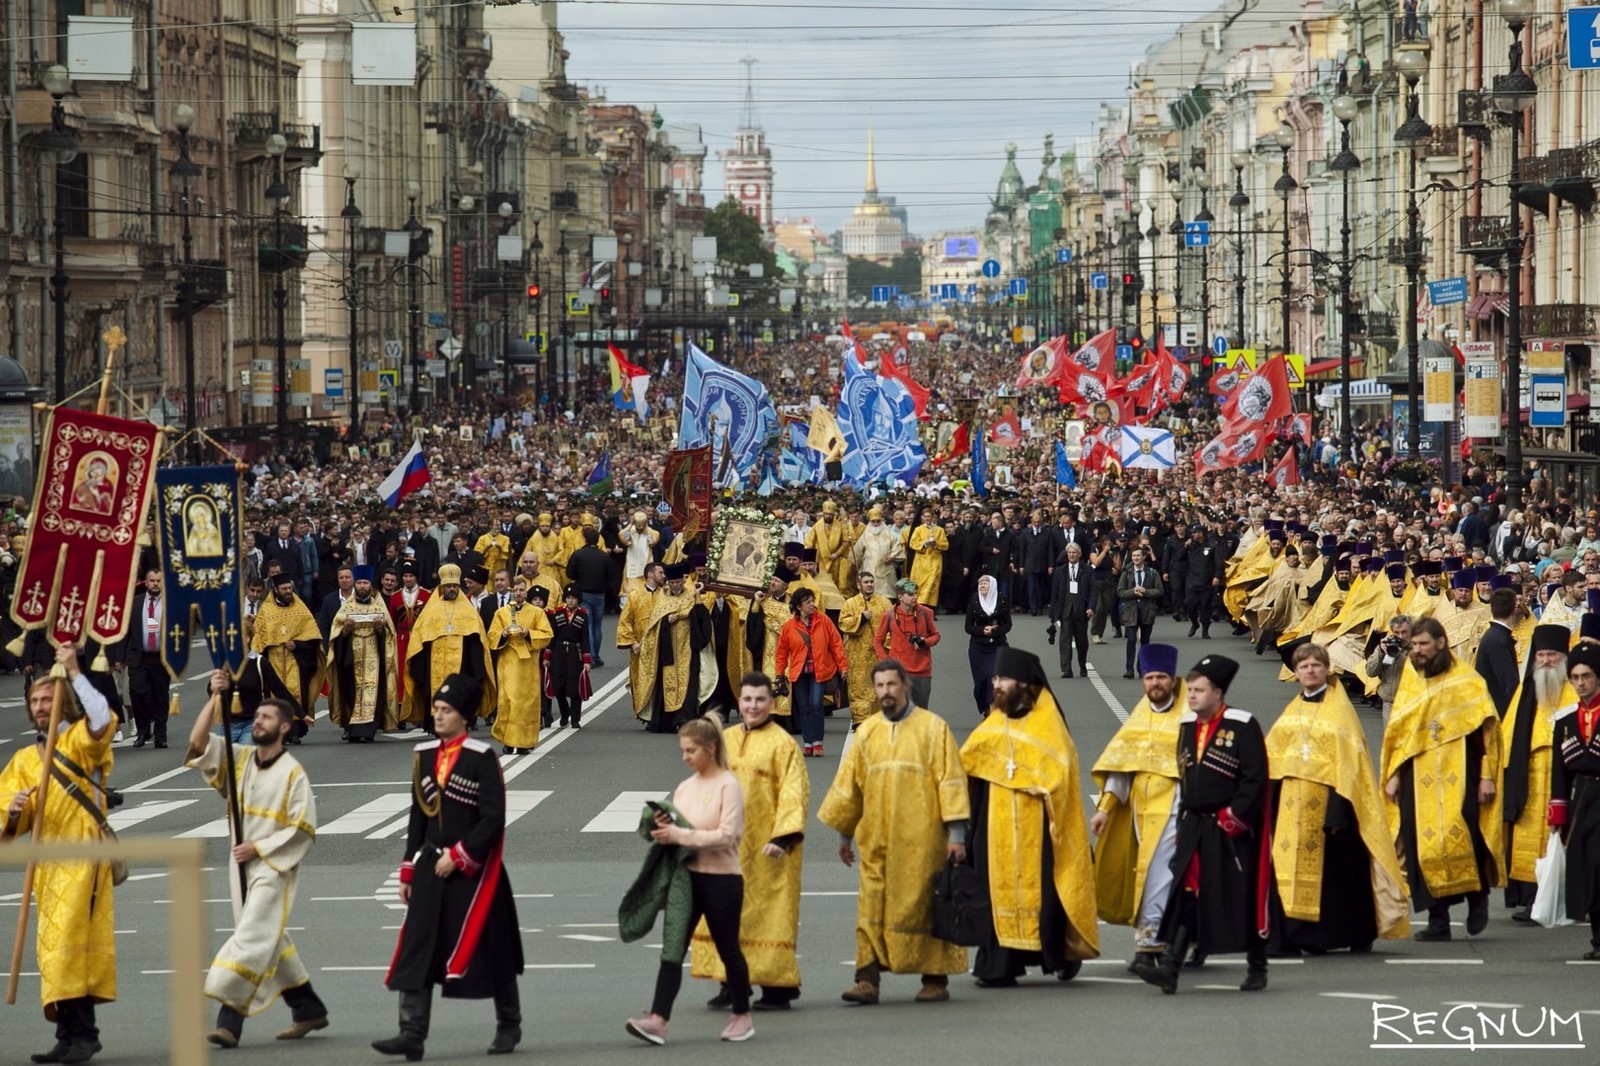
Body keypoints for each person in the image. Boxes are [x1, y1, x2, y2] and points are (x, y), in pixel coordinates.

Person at [375, 674, 524, 1060]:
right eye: (437, 710)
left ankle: (509, 1024)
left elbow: (493, 818)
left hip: (475, 871)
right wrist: (408, 869)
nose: (437, 716)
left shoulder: (481, 757)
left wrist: (459, 856)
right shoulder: (424, 756)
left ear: (463, 716)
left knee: (493, 949)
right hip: (430, 867)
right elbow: (417, 819)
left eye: (446, 711)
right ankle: (411, 1032)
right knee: (418, 947)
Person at [185, 673, 329, 1048]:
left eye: (266, 718)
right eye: (258, 717)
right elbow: (197, 744)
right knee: (268, 936)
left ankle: (228, 1020)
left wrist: (260, 849)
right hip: (240, 865)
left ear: (284, 727)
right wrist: (215, 697)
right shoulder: (241, 760)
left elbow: (303, 829)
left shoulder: (293, 774)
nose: (259, 721)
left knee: (250, 937)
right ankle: (307, 1007)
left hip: (273, 867)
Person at [818, 659, 969, 1004]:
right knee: (871, 909)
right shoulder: (868, 731)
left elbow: (952, 783)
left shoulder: (933, 729)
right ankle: (867, 979)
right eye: (880, 686)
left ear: (905, 686)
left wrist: (957, 836)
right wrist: (845, 835)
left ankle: (934, 979)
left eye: (891, 684)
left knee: (926, 908)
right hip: (876, 842)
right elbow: (850, 786)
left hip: (924, 843)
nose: (886, 692)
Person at [1, 644, 117, 1065]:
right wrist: (14, 812)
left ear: (63, 701)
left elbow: (102, 720)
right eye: (34, 700)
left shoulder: (79, 739)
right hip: (48, 865)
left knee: (73, 943)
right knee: (52, 947)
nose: (40, 706)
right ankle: (69, 1034)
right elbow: (10, 823)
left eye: (48, 699)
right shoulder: (23, 759)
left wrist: (73, 670)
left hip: (84, 855)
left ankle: (84, 1033)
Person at [960, 647, 1098, 986]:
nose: (997, 685)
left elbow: (1060, 775)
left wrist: (1031, 783)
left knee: (1045, 895)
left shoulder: (1049, 725)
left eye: (1003, 679)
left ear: (1026, 684)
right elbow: (967, 766)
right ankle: (999, 965)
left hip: (1040, 826)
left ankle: (1058, 954)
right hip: (993, 827)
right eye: (994, 679)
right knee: (993, 891)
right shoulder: (992, 724)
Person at [1133, 654, 1270, 994]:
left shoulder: (1243, 723)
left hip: (1230, 828)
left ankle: (1258, 966)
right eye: (1190, 689)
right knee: (1188, 895)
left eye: (1199, 690)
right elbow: (1186, 776)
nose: (1191, 695)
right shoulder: (1186, 726)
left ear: (1218, 692)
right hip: (1195, 826)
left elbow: (1255, 780)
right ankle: (1171, 967)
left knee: (1241, 895)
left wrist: (1234, 819)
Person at [1265, 643, 1411, 955]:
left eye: (1316, 666)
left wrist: (1337, 813)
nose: (1310, 671)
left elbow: (1351, 766)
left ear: (1327, 669)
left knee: (1336, 877)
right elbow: (1274, 760)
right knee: (1288, 872)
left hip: (1334, 810)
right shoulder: (1292, 712)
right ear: (1296, 672)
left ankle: (1334, 935)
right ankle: (1293, 934)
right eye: (1303, 667)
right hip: (1293, 811)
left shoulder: (1340, 712)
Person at [626, 714, 754, 1045]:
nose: (685, 757)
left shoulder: (728, 785)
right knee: (674, 946)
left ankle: (742, 1014)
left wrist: (679, 834)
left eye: (690, 750)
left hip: (722, 879)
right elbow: (677, 826)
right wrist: (660, 823)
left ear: (710, 749)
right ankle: (658, 1019)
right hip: (688, 878)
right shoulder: (685, 788)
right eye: (683, 751)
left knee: (728, 949)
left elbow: (727, 837)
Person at [1380, 615, 1504, 942]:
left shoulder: (1467, 680)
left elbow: (1487, 731)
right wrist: (1394, 774)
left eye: (1423, 644)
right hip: (1416, 773)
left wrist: (1487, 776)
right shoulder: (1411, 675)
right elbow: (1399, 731)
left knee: (1464, 835)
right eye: (1414, 644)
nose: (1417, 650)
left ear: (1441, 643)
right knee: (1420, 843)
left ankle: (1478, 899)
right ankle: (1438, 919)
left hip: (1461, 770)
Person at [690, 674, 809, 1011]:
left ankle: (777, 988)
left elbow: (794, 792)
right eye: (747, 700)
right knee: (724, 912)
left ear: (771, 703)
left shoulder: (783, 744)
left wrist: (783, 837)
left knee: (769, 914)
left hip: (768, 849)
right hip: (726, 848)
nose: (753, 706)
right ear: (738, 702)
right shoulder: (723, 740)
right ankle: (730, 983)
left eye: (760, 700)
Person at [1090, 643, 1184, 965]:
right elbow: (1122, 767)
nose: (1154, 683)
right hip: (1139, 813)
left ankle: (1153, 945)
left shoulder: (1187, 716)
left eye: (1160, 677)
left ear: (1172, 679)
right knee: (1144, 877)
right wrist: (1104, 809)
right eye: (1149, 678)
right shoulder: (1140, 715)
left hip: (1175, 811)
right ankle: (1157, 943)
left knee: (1161, 878)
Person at [1500, 624, 1576, 921]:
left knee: (1561, 840)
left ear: (1563, 658)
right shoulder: (1527, 688)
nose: (1545, 661)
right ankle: (1532, 900)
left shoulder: (1574, 686)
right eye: (1541, 655)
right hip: (1529, 776)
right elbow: (1508, 732)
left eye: (1552, 655)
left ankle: (1564, 899)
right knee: (1528, 841)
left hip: (1564, 777)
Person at [1549, 641, 1600, 958]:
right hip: (1581, 799)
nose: (1580, 683)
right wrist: (1558, 816)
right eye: (1575, 678)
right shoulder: (1566, 720)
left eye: (1587, 676)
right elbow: (1559, 773)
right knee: (1586, 870)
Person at [402, 564, 495, 731]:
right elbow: (419, 636)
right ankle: (434, 725)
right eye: (448, 586)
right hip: (434, 661)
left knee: (461, 693)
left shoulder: (468, 610)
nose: (451, 589)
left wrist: (476, 666)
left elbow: (477, 636)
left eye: (455, 586)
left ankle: (460, 723)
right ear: (442, 587)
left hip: (462, 662)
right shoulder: (431, 609)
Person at [630, 563, 714, 734]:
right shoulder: (663, 599)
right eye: (672, 582)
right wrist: (665, 621)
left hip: (688, 649)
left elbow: (703, 620)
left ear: (683, 581)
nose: (675, 585)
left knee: (689, 685)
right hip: (668, 651)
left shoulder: (693, 595)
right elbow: (653, 626)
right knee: (666, 684)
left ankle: (684, 719)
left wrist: (697, 604)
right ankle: (666, 720)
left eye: (678, 582)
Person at [250, 572, 327, 744]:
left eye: (289, 588)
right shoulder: (266, 610)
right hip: (273, 661)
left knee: (296, 692)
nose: (287, 591)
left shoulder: (300, 608)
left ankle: (294, 731)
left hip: (296, 662)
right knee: (275, 695)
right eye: (284, 588)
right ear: (275, 589)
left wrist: (298, 645)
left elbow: (313, 638)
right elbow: (258, 639)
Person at [327, 564, 400, 743]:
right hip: (351, 659)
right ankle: (351, 729)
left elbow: (390, 634)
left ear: (370, 585)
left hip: (374, 657)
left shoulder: (379, 606)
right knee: (351, 691)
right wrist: (345, 630)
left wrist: (380, 629)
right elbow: (335, 633)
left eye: (365, 583)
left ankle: (368, 731)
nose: (362, 586)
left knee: (373, 693)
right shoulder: (346, 608)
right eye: (359, 583)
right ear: (355, 585)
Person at [774, 587, 846, 758]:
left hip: (819, 670)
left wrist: (843, 666)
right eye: (808, 602)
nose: (812, 604)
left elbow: (836, 643)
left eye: (812, 601)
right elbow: (782, 652)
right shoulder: (789, 626)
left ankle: (818, 743)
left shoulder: (824, 621)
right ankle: (807, 743)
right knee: (804, 707)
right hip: (799, 672)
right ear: (799, 606)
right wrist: (779, 674)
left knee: (815, 704)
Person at [487, 577, 553, 753]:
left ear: (526, 591)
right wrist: (504, 634)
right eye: (515, 590)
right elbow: (491, 636)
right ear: (511, 591)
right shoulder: (501, 613)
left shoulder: (537, 612)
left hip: (528, 665)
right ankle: (508, 741)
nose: (518, 593)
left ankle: (525, 741)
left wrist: (528, 633)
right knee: (508, 701)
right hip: (508, 663)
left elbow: (547, 634)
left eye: (522, 590)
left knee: (527, 702)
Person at [115, 568, 171, 748]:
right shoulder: (136, 603)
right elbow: (126, 633)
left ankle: (160, 735)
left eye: (158, 581)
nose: (155, 584)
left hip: (161, 659)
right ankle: (142, 730)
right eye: (152, 580)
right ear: (145, 583)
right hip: (138, 657)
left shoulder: (171, 604)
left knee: (160, 697)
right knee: (137, 693)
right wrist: (119, 658)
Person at [873, 578, 940, 710]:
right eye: (910, 594)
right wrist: (886, 661)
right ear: (900, 597)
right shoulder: (890, 615)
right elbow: (878, 640)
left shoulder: (926, 613)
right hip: (899, 671)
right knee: (903, 710)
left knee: (920, 712)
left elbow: (936, 636)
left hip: (922, 671)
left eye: (915, 593)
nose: (914, 597)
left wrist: (925, 642)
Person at [837, 570, 892, 730]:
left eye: (871, 582)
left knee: (877, 686)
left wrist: (888, 645)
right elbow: (843, 623)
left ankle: (877, 719)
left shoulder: (885, 603)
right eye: (866, 582)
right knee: (858, 687)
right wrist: (860, 618)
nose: (869, 584)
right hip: (857, 653)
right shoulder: (850, 603)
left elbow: (892, 626)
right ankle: (860, 720)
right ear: (858, 585)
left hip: (878, 652)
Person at [964, 574, 1011, 717]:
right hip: (978, 648)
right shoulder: (974, 601)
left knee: (995, 678)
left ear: (992, 586)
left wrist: (994, 631)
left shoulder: (1002, 600)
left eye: (985, 583)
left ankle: (995, 710)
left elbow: (1008, 624)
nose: (982, 585)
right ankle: (985, 707)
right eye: (980, 583)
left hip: (998, 646)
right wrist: (982, 631)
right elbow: (968, 627)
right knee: (982, 682)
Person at [387, 561, 430, 712]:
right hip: (402, 638)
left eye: (411, 575)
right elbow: (392, 621)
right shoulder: (395, 597)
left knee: (419, 672)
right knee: (400, 673)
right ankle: (401, 708)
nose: (408, 579)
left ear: (416, 577)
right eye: (405, 576)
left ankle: (419, 708)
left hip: (420, 638)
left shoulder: (427, 595)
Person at [1048, 541, 1094, 679]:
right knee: (1065, 640)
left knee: (1081, 642)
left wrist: (1091, 607)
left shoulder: (1087, 570)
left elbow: (1093, 590)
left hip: (1081, 610)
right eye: (1069, 553)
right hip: (1065, 610)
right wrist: (1053, 613)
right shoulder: (1060, 571)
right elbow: (1054, 592)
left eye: (1074, 552)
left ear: (1079, 554)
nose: (1072, 555)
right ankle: (1066, 669)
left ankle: (1082, 664)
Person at [1117, 546, 1164, 679]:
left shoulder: (1152, 572)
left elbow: (1160, 590)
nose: (1136, 558)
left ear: (1144, 557)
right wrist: (1132, 591)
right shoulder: (1126, 573)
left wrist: (1145, 591)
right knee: (1131, 639)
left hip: (1147, 609)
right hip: (1130, 609)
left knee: (1145, 641)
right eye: (1133, 556)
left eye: (1138, 556)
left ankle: (1142, 668)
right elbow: (1120, 591)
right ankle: (1129, 669)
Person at [1475, 587, 1521, 717]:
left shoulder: (1495, 634)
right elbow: (1509, 684)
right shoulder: (1498, 640)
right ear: (1513, 609)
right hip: (1500, 713)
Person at [1363, 614, 1412, 724]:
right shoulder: (1386, 644)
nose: (1400, 636)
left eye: (1404, 632)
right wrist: (1380, 652)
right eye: (1396, 632)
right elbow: (1370, 672)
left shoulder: (1419, 645)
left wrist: (1398, 655)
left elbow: (1415, 669)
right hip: (1389, 701)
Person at [903, 506, 949, 613]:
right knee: (920, 584)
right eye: (925, 516)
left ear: (932, 517)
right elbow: (912, 543)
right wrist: (924, 543)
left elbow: (945, 545)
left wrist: (936, 544)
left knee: (932, 584)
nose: (928, 518)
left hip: (935, 561)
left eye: (929, 516)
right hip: (921, 562)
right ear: (922, 518)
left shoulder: (940, 530)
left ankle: (929, 608)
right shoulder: (918, 530)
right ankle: (918, 606)